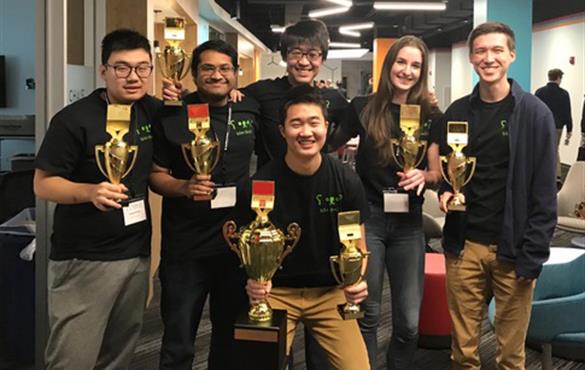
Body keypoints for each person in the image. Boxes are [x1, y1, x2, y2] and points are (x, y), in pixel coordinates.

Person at [35, 29, 160, 369]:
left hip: (135, 254)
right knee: (72, 359)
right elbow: (43, 185)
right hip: (85, 260)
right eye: (121, 67)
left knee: (118, 354)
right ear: (103, 71)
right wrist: (89, 191)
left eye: (142, 67)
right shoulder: (74, 119)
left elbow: (194, 113)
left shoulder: (149, 111)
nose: (133, 77)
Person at [437, 22, 557, 369]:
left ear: (511, 55)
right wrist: (446, 191)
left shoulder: (535, 115)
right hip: (464, 247)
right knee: (463, 352)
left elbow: (545, 192)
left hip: (514, 248)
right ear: (472, 57)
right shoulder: (457, 113)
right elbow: (449, 173)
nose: (488, 58)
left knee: (511, 355)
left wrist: (533, 253)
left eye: (497, 50)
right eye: (480, 51)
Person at [327, 35, 442, 369]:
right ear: (389, 64)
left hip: (409, 224)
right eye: (401, 62)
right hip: (368, 221)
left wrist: (424, 177)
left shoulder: (430, 114)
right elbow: (329, 143)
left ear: (422, 72)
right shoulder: (363, 105)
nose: (406, 70)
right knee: (368, 312)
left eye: (415, 65)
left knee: (408, 322)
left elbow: (436, 172)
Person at [149, 40, 259, 370]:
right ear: (194, 74)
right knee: (178, 340)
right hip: (186, 248)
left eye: (225, 68)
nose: (217, 75)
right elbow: (155, 175)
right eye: (208, 68)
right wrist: (183, 186)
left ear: (236, 74)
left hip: (234, 245)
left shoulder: (249, 109)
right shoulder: (172, 114)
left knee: (228, 337)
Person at [243, 88, 370, 370]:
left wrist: (356, 280)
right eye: (296, 123)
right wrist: (255, 280)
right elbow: (251, 245)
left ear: (326, 127)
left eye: (314, 123)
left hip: (330, 292)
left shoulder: (345, 181)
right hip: (277, 293)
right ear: (282, 130)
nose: (306, 132)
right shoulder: (263, 184)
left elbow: (356, 246)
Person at [535, 68, 573, 185]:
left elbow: (534, 110)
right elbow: (567, 112)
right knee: (554, 149)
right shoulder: (564, 94)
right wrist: (569, 129)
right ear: (558, 78)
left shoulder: (539, 92)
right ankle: (556, 176)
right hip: (557, 126)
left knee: (541, 149)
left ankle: (540, 174)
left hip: (541, 125)